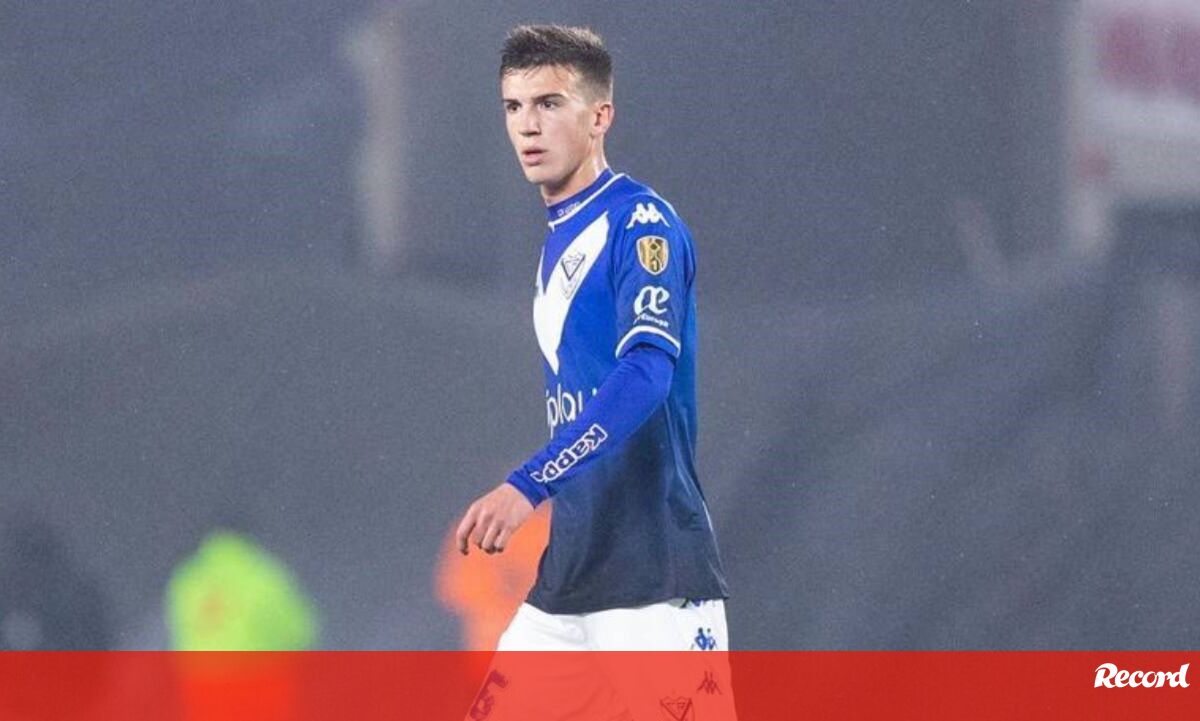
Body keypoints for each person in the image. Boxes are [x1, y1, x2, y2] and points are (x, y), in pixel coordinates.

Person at [453, 24, 734, 720]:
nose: (528, 125)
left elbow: (646, 376)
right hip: (571, 576)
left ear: (600, 115)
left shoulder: (640, 224)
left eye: (549, 103)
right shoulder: (561, 235)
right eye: (514, 107)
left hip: (653, 574)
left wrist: (528, 484)